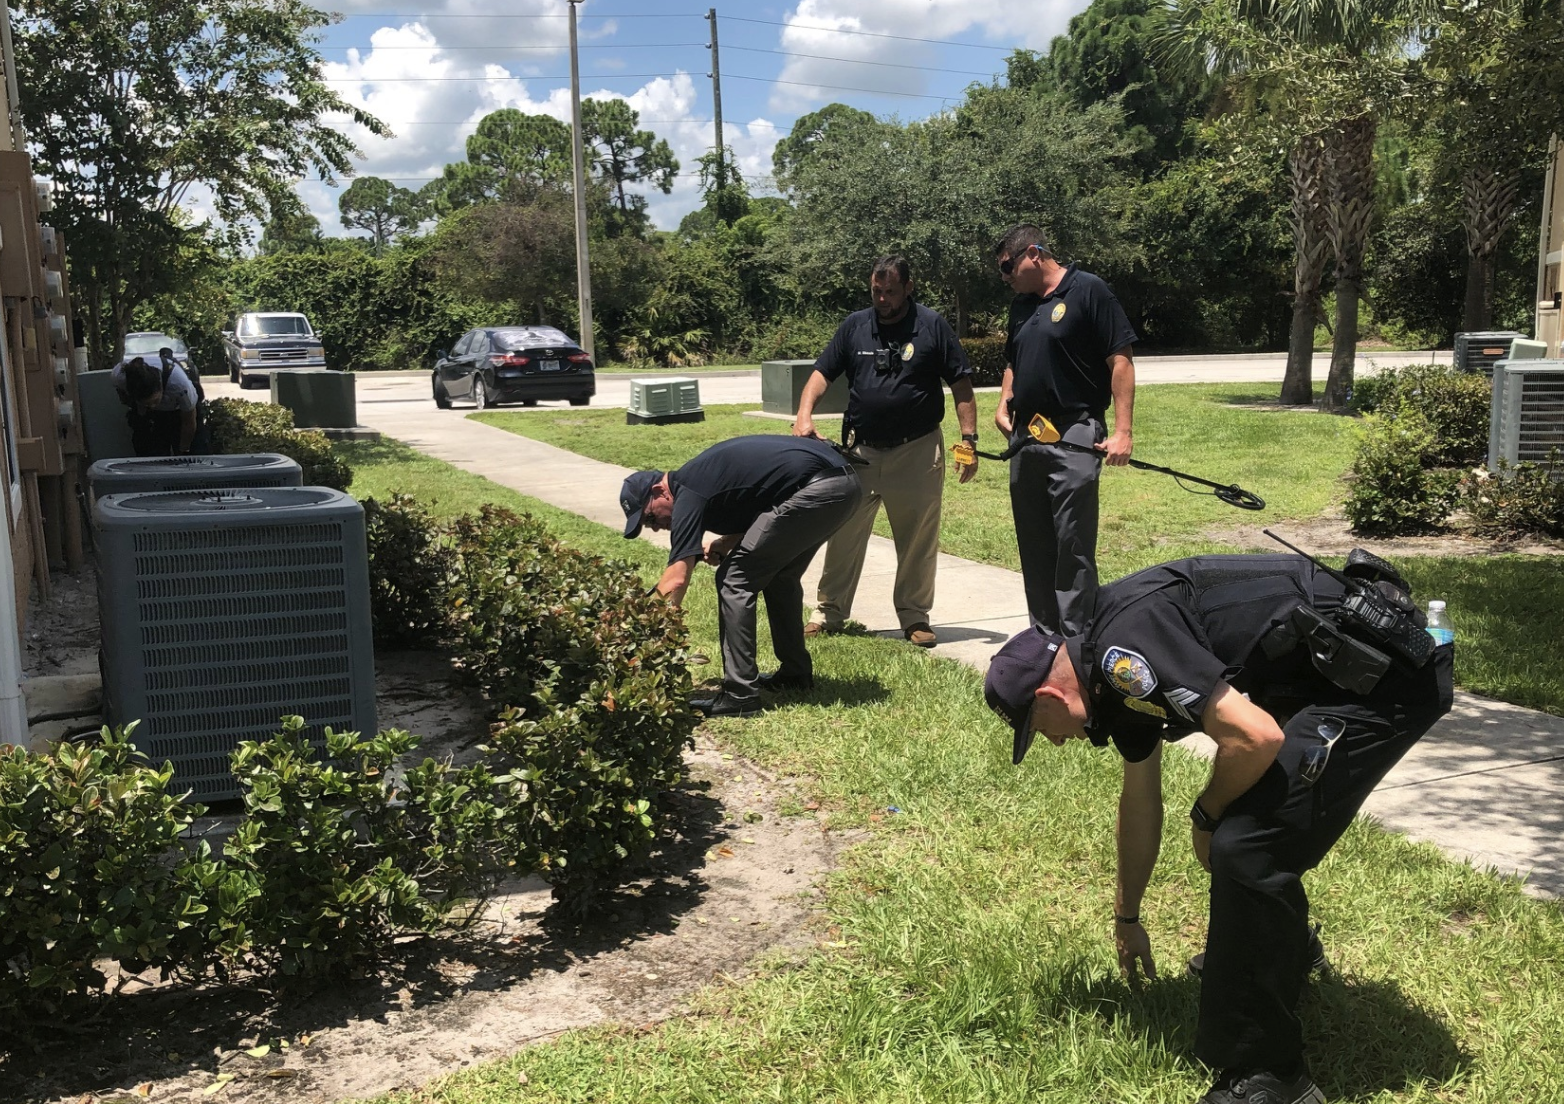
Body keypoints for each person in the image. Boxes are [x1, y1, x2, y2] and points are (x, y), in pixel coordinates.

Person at [983, 551, 1454, 1104]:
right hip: (1327, 680)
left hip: (1383, 681)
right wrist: (1127, 916)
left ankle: (1272, 1076)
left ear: (1048, 695)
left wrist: (1206, 815)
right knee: (1249, 836)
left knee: (1245, 846)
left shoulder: (1121, 652)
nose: (1056, 741)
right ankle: (1280, 952)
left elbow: (1255, 737)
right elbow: (1140, 798)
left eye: (1042, 730)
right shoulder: (1108, 680)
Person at [793, 256, 978, 648]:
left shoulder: (931, 326)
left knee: (916, 540)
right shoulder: (856, 326)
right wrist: (803, 415)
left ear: (908, 288)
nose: (882, 299)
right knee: (841, 531)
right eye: (877, 291)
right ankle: (829, 612)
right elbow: (822, 372)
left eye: (890, 292)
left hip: (917, 451)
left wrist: (969, 440)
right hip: (859, 451)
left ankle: (914, 618)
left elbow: (961, 384)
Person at [620, 434, 864, 717]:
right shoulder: (697, 481)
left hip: (820, 490)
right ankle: (795, 675)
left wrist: (651, 636)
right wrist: (725, 543)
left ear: (660, 490)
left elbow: (676, 579)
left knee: (733, 579)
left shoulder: (687, 490)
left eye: (650, 518)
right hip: (844, 484)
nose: (655, 527)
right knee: (779, 576)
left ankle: (740, 695)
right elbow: (769, 507)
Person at [993, 223, 1137, 634]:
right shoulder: (1021, 305)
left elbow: (1121, 361)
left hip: (1074, 430)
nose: (1005, 277)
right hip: (1026, 436)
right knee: (1034, 545)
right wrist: (1004, 401)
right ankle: (1045, 640)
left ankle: (1078, 642)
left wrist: (1123, 432)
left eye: (1008, 266)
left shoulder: (1089, 290)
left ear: (1034, 254)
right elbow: (1013, 361)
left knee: (1071, 544)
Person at [111, 350, 202, 456]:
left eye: (155, 401)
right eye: (147, 403)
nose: (153, 406)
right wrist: (137, 407)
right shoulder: (120, 376)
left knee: (195, 450)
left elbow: (189, 422)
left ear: (161, 387)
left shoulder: (180, 385)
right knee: (146, 448)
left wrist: (184, 450)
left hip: (178, 412)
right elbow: (122, 396)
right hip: (146, 413)